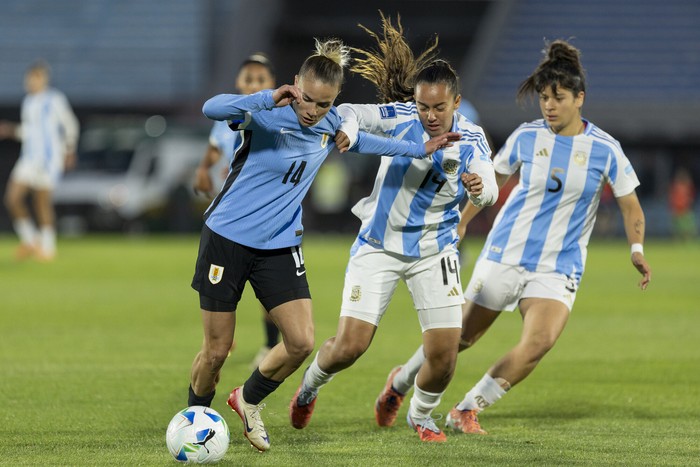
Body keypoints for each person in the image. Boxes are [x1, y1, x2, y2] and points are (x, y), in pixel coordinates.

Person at [187, 37, 460, 452]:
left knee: (300, 342)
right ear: (295, 84)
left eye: (325, 104)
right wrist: (264, 97)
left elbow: (373, 142)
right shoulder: (266, 114)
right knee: (217, 351)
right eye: (309, 100)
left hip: (279, 245)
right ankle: (193, 419)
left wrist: (420, 147)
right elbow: (211, 109)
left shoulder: (330, 126)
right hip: (227, 239)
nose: (313, 112)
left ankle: (248, 399)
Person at [374, 39, 653, 436]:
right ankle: (400, 382)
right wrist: (463, 222)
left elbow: (631, 205)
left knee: (539, 341)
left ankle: (467, 409)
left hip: (558, 267)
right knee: (459, 340)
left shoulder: (606, 149)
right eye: (543, 98)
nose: (549, 106)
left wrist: (637, 249)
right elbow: (493, 179)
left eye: (557, 98)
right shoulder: (527, 136)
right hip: (505, 254)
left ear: (580, 98)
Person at [288, 14, 498, 443]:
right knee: (349, 348)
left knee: (444, 353)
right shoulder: (400, 116)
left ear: (456, 103)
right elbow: (350, 111)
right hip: (378, 246)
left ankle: (421, 416)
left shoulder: (472, 139)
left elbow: (488, 185)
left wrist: (480, 189)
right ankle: (309, 387)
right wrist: (347, 128)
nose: (430, 115)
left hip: (434, 251)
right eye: (424, 106)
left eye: (440, 107)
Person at [193, 53, 282, 369]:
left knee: (266, 290)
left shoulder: (279, 116)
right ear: (238, 82)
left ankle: (270, 344)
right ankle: (220, 341)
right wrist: (203, 168)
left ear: (272, 84)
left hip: (265, 218)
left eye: (261, 80)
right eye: (249, 78)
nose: (254, 84)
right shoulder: (230, 112)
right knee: (224, 286)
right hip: (230, 216)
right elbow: (216, 144)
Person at [0, 60, 79, 261]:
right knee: (12, 198)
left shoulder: (54, 99)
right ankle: (30, 240)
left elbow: (70, 124)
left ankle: (48, 247)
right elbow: (31, 132)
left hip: (49, 158)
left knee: (41, 202)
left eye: (36, 78)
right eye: (29, 78)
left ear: (43, 79)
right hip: (29, 157)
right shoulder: (28, 102)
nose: (31, 82)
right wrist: (11, 130)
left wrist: (69, 149)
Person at [668, 167, 696, 240]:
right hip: (677, 209)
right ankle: (678, 239)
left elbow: (691, 197)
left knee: (687, 227)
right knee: (677, 228)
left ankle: (687, 238)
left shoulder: (687, 186)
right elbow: (672, 197)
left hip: (685, 209)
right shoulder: (676, 186)